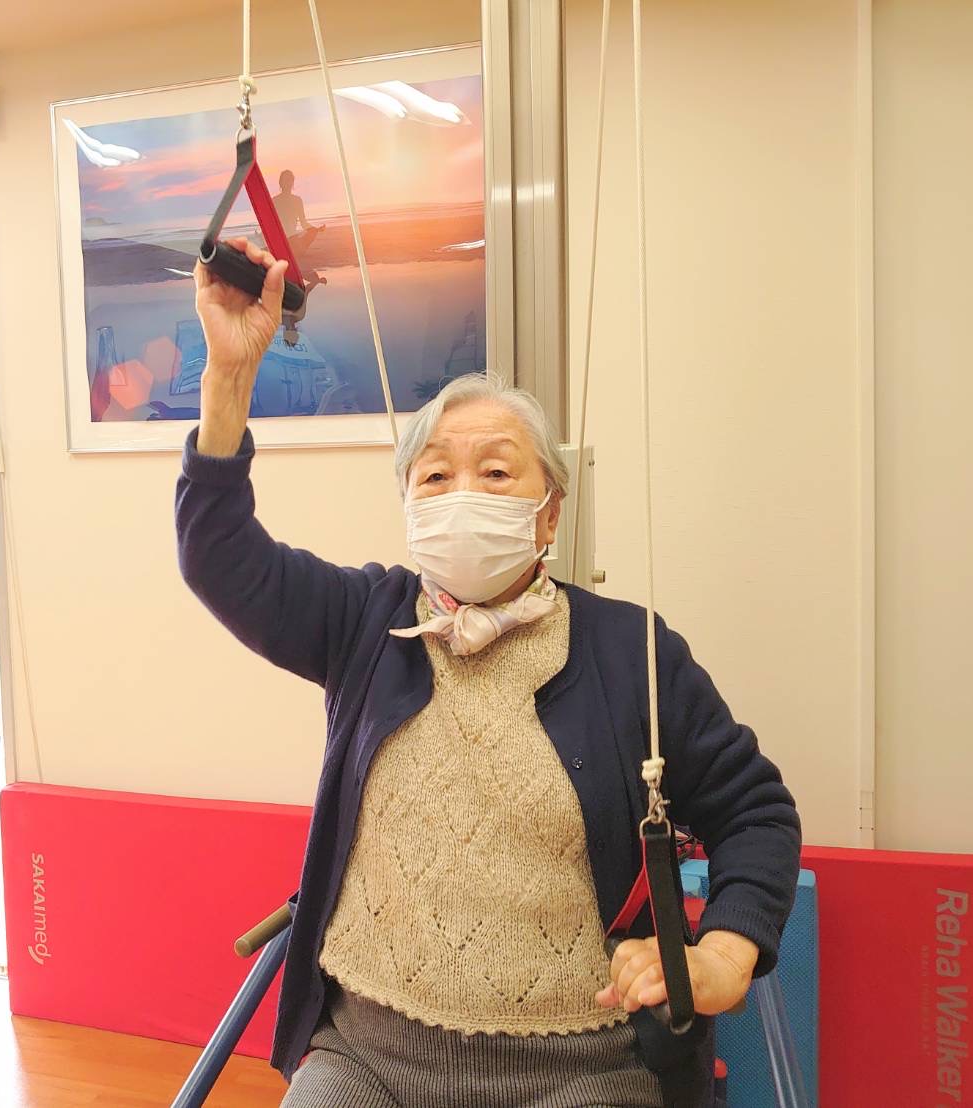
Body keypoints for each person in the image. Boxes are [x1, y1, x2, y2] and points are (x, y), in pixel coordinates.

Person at [176, 238, 801, 1108]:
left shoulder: (631, 650)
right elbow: (220, 557)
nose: (462, 492)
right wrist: (228, 377)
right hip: (365, 1057)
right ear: (408, 504)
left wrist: (723, 954)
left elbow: (754, 812)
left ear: (548, 514)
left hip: (584, 1067)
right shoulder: (364, 622)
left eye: (496, 471)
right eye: (434, 475)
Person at [272, 169, 323, 255]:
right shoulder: (275, 201)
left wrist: (316, 229)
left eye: (290, 180)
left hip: (291, 239)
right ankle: (291, 250)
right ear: (280, 183)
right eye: (286, 180)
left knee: (311, 233)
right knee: (297, 246)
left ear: (292, 182)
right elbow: (271, 224)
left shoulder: (297, 200)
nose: (288, 183)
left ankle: (291, 250)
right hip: (282, 240)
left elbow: (303, 223)